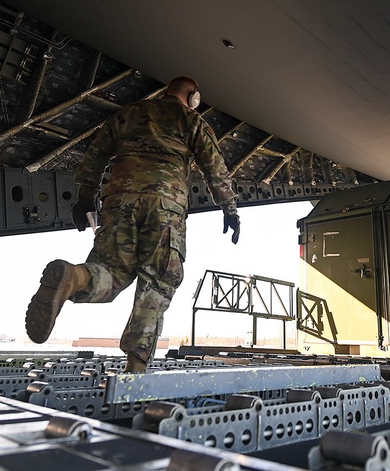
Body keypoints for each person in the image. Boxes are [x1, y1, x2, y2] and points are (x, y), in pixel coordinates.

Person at [24, 76, 240, 372]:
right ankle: (135, 369)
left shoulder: (129, 113)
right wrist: (229, 209)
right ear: (193, 97)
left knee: (111, 272)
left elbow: (96, 153)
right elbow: (214, 168)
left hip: (119, 201)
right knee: (158, 280)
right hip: (164, 206)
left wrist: (85, 198)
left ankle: (74, 277)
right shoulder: (191, 120)